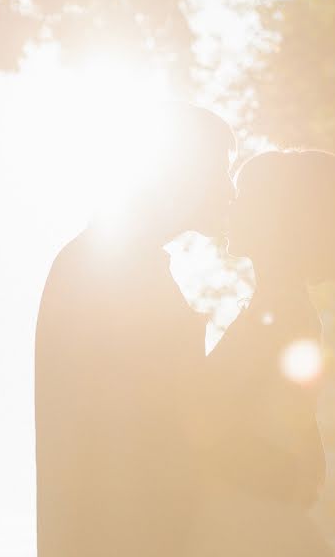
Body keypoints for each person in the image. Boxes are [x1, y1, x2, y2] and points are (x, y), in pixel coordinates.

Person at [34, 102, 236, 557]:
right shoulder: (106, 266)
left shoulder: (123, 262)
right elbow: (146, 422)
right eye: (220, 172)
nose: (229, 190)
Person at [189, 149, 335, 557]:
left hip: (245, 520)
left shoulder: (283, 311)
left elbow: (208, 413)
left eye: (244, 196)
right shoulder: (283, 307)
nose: (230, 206)